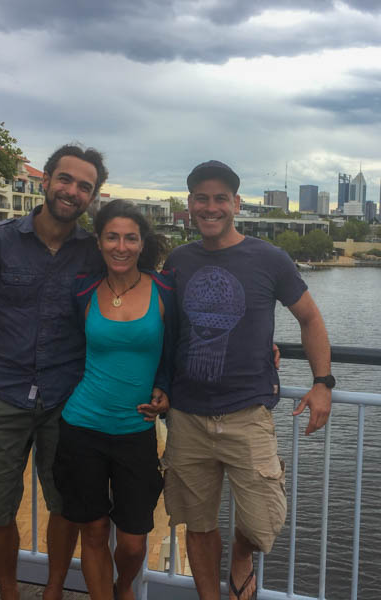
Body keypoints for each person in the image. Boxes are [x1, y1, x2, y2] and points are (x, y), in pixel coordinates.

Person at [162, 160, 335, 600]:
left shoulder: (269, 258)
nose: (211, 206)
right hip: (187, 416)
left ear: (236, 204)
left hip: (247, 414)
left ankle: (241, 552)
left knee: (262, 524)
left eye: (221, 198)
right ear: (189, 206)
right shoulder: (178, 261)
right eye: (202, 198)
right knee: (198, 525)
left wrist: (322, 383)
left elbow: (310, 318)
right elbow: (162, 328)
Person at [0, 144, 108, 600]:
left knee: (65, 504)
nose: (72, 191)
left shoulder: (94, 253)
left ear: (92, 197)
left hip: (67, 399)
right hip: (0, 394)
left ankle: (54, 589)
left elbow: (139, 299)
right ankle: (8, 592)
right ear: (45, 180)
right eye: (66, 179)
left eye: (85, 186)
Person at [53, 199, 177, 600]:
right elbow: (65, 345)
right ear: (99, 242)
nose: (121, 246)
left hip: (135, 431)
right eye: (112, 237)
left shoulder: (165, 292)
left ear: (143, 244)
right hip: (82, 427)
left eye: (130, 238)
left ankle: (124, 587)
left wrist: (166, 387)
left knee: (133, 542)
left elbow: (183, 346)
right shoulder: (84, 291)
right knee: (92, 530)